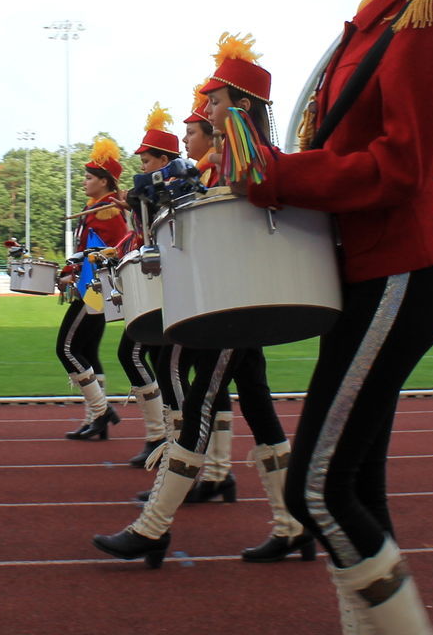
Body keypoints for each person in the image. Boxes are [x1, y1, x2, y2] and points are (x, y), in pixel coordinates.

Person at [242, 0, 433, 629]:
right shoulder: (386, 12)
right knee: (351, 486)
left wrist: (276, 179)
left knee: (316, 488)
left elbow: (398, 169)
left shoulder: (426, 15)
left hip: (400, 270)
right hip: (375, 273)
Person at [95, 34, 314, 567]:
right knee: (258, 409)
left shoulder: (246, 158)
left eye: (214, 101)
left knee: (198, 403)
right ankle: (291, 526)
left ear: (240, 107)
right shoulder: (226, 161)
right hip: (236, 297)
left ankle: (154, 528)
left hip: (235, 300)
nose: (204, 109)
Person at [55, 137, 129, 440]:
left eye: (88, 177)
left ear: (104, 181)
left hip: (95, 289)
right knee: (87, 351)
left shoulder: (107, 211)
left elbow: (103, 251)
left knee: (66, 349)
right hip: (96, 287)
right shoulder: (96, 208)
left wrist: (72, 271)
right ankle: (96, 420)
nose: (84, 182)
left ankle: (101, 411)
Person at [117, 107, 175, 466]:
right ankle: (163, 438)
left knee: (141, 355)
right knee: (155, 359)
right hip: (158, 287)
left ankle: (163, 439)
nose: (142, 167)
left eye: (146, 160)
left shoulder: (169, 188)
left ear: (164, 160)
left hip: (171, 288)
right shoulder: (149, 194)